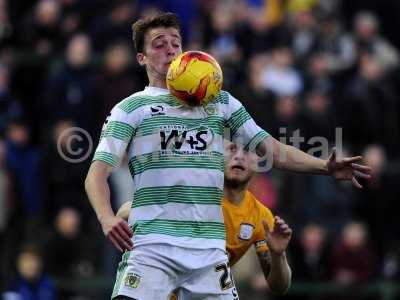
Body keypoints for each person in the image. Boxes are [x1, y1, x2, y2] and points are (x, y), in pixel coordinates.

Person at [84, 12, 371, 300]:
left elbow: (272, 150)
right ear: (141, 58)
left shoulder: (220, 101)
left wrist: (325, 166)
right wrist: (106, 218)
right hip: (153, 246)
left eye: (176, 43)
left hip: (209, 250)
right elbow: (96, 175)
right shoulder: (131, 108)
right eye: (159, 44)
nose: (170, 50)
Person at [117, 142, 292, 296]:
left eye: (246, 150)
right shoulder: (192, 189)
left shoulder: (260, 216)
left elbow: (279, 287)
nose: (239, 156)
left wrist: (278, 255)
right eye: (231, 149)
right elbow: (124, 211)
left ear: (259, 160)